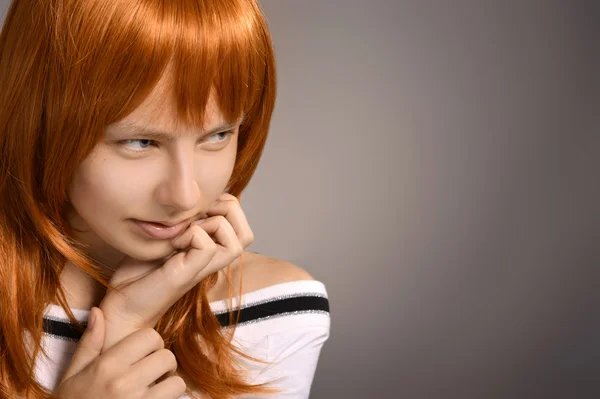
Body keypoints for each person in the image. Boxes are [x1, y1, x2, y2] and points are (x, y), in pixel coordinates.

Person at [0, 0, 330, 398]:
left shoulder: (277, 309)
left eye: (217, 135)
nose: (185, 195)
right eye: (140, 142)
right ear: (39, 124)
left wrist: (128, 320)